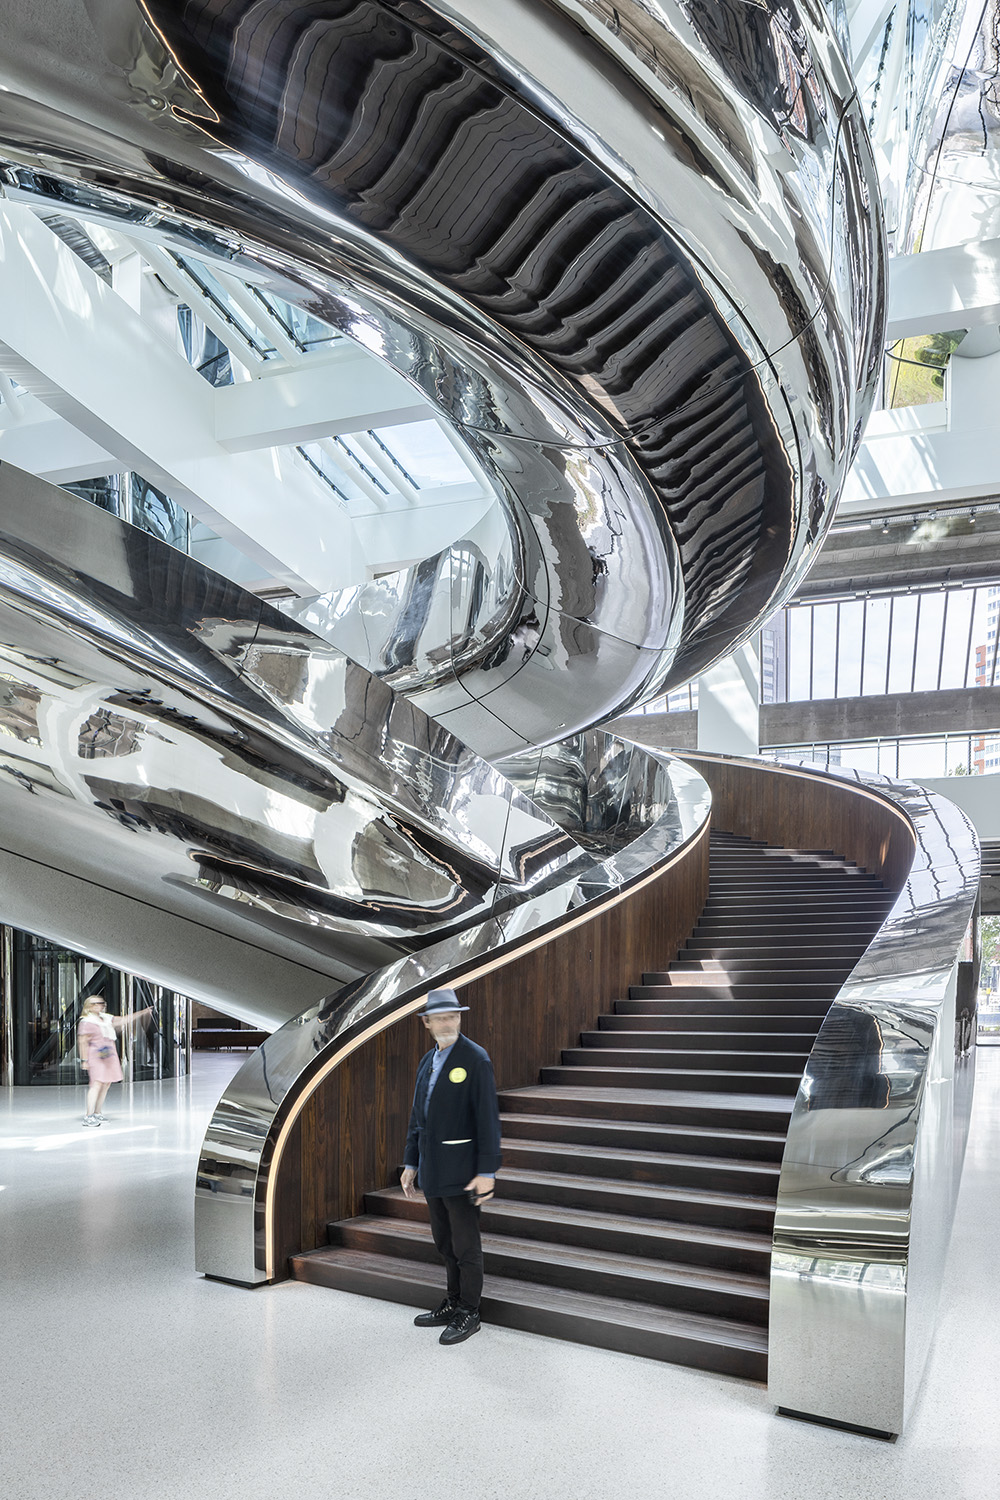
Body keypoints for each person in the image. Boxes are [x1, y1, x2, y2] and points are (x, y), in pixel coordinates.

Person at [401, 988, 501, 1346]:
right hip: (433, 1169)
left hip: (462, 1170)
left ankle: (469, 1311)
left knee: (465, 1245)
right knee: (444, 1242)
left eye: (453, 1016)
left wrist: (487, 1172)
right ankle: (453, 1301)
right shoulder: (427, 1061)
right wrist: (411, 1162)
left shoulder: (475, 1059)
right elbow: (417, 1118)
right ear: (427, 1023)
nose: (447, 1023)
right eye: (440, 1018)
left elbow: (488, 1119)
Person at [77, 995, 152, 1126]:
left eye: (101, 1003)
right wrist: (84, 1060)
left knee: (106, 1084)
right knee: (96, 1084)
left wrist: (143, 1012)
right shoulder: (87, 1022)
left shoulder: (105, 1018)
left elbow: (124, 1020)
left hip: (109, 1055)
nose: (100, 1005)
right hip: (96, 1056)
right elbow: (82, 1041)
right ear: (89, 1006)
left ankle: (97, 1112)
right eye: (96, 1003)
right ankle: (89, 1115)